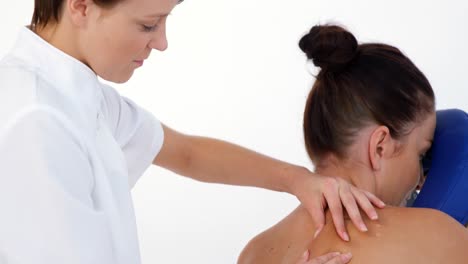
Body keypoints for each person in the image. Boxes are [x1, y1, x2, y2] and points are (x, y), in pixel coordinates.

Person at [0, 1, 384, 263]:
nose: (162, 42)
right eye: (148, 24)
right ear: (81, 6)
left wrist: (298, 180)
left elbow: (185, 153)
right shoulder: (38, 123)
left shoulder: (80, 96)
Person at [237, 24, 468, 264]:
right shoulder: (435, 235)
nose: (421, 180)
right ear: (380, 146)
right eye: (421, 154)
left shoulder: (255, 253)